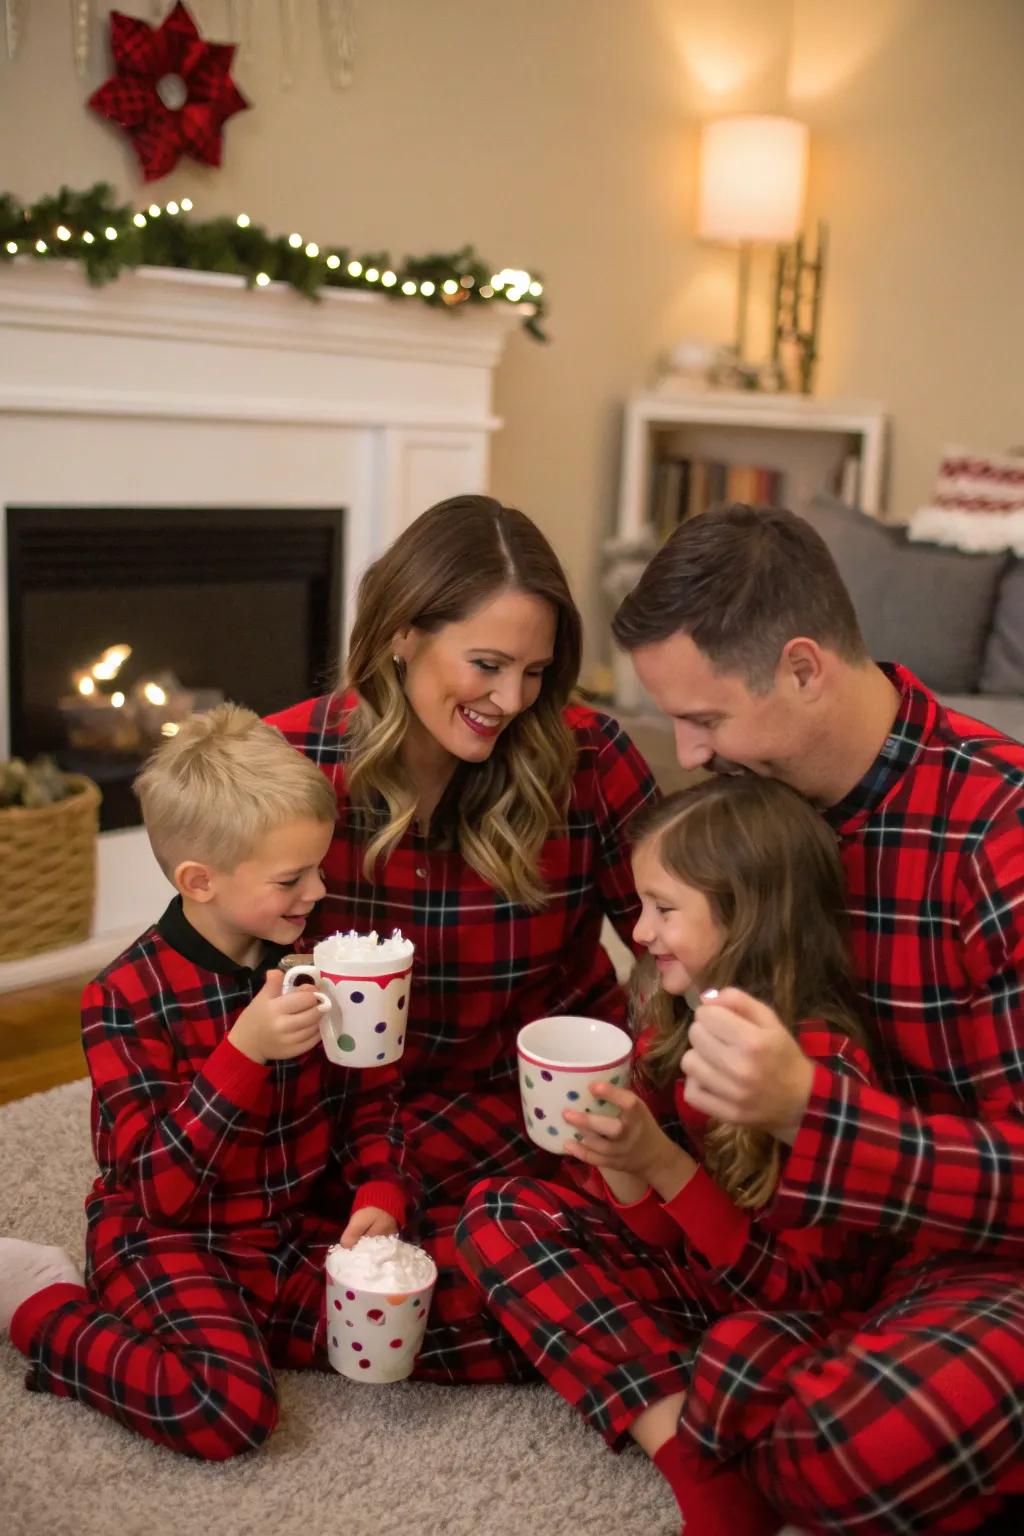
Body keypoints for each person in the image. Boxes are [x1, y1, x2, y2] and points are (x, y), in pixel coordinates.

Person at [603, 503, 1024, 1533]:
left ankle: (758, 1378)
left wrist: (812, 1110)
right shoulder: (747, 818)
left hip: (969, 1254)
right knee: (505, 1209)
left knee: (847, 1446)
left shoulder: (997, 839)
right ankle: (759, 1366)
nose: (688, 756)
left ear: (801, 668)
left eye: (704, 720)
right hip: (791, 1243)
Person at [457, 774, 894, 1536]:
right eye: (642, 906)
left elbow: (800, 1292)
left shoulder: (817, 1066)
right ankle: (688, 1454)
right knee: (497, 1213)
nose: (640, 931)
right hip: (698, 1278)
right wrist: (626, 1160)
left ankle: (672, 1390)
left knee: (740, 1353)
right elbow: (658, 1233)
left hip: (796, 1308)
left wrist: (662, 1164)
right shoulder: (669, 1023)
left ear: (746, 917)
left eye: (664, 909)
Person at [0, 704, 408, 1459]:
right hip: (166, 1238)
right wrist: (243, 1052)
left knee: (428, 1325)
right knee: (225, 1410)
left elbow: (371, 1098)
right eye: (292, 877)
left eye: (319, 866)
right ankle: (37, 1299)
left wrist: (381, 1191)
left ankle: (251, 1326)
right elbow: (158, 1190)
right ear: (200, 880)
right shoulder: (121, 996)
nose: (318, 891)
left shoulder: (319, 958)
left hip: (287, 1233)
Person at [268, 494, 657, 1235]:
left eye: (536, 670)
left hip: (528, 1105)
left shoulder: (590, 758)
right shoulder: (287, 765)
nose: (512, 699)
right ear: (401, 636)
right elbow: (208, 972)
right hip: (346, 1112)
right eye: (487, 664)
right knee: (243, 1238)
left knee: (529, 1245)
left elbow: (677, 950)